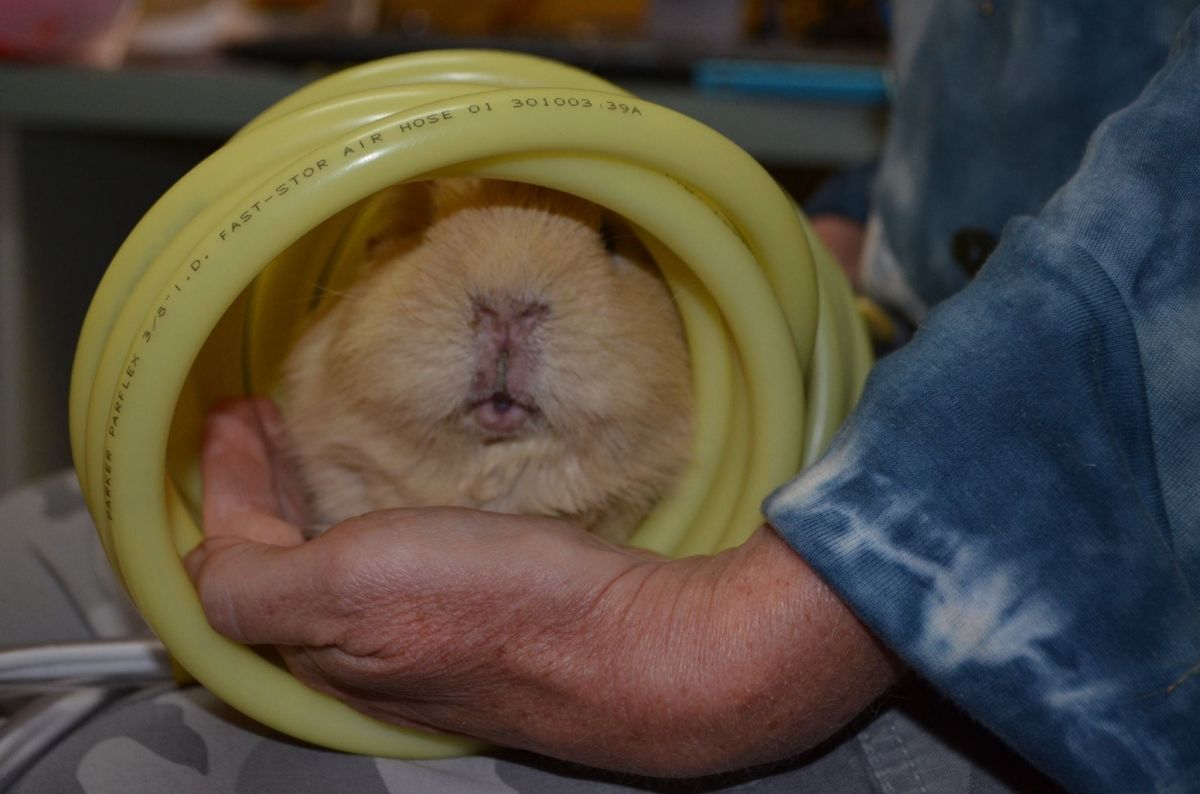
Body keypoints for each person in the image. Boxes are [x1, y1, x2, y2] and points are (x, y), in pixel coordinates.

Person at [5, 2, 1199, 791]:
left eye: (614, 246)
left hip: (1086, 555)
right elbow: (954, 151)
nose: (507, 306)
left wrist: (725, 643)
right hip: (919, 323)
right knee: (20, 558)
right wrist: (828, 240)